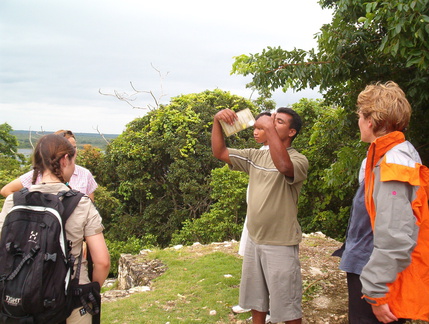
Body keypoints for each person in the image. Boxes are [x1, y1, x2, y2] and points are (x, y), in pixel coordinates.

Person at [340, 81, 429, 323]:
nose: (358, 121)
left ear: (370, 120)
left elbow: (395, 232)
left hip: (378, 275)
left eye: (360, 115)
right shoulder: (390, 153)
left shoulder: (393, 162)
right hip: (375, 268)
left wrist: (376, 292)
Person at [212, 107, 309, 324]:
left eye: (279, 122)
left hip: (280, 243)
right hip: (255, 240)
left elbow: (284, 166)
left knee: (288, 307)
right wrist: (217, 122)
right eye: (272, 121)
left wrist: (267, 126)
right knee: (257, 302)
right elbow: (220, 152)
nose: (272, 124)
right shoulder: (255, 156)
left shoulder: (298, 160)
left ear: (292, 132)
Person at [0, 134, 110, 324]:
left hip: (20, 297)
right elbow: (102, 262)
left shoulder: (14, 201)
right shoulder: (81, 203)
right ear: (65, 160)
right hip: (72, 297)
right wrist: (91, 289)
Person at [233, 112, 270, 318]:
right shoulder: (259, 151)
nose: (255, 132)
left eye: (261, 128)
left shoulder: (279, 153)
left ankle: (269, 308)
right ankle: (252, 302)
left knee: (267, 265)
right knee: (251, 261)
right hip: (253, 214)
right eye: (254, 128)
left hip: (267, 220)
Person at [0, 130, 98, 201]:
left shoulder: (84, 174)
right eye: (69, 147)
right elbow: (6, 190)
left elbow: (90, 204)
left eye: (75, 147)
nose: (73, 151)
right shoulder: (39, 173)